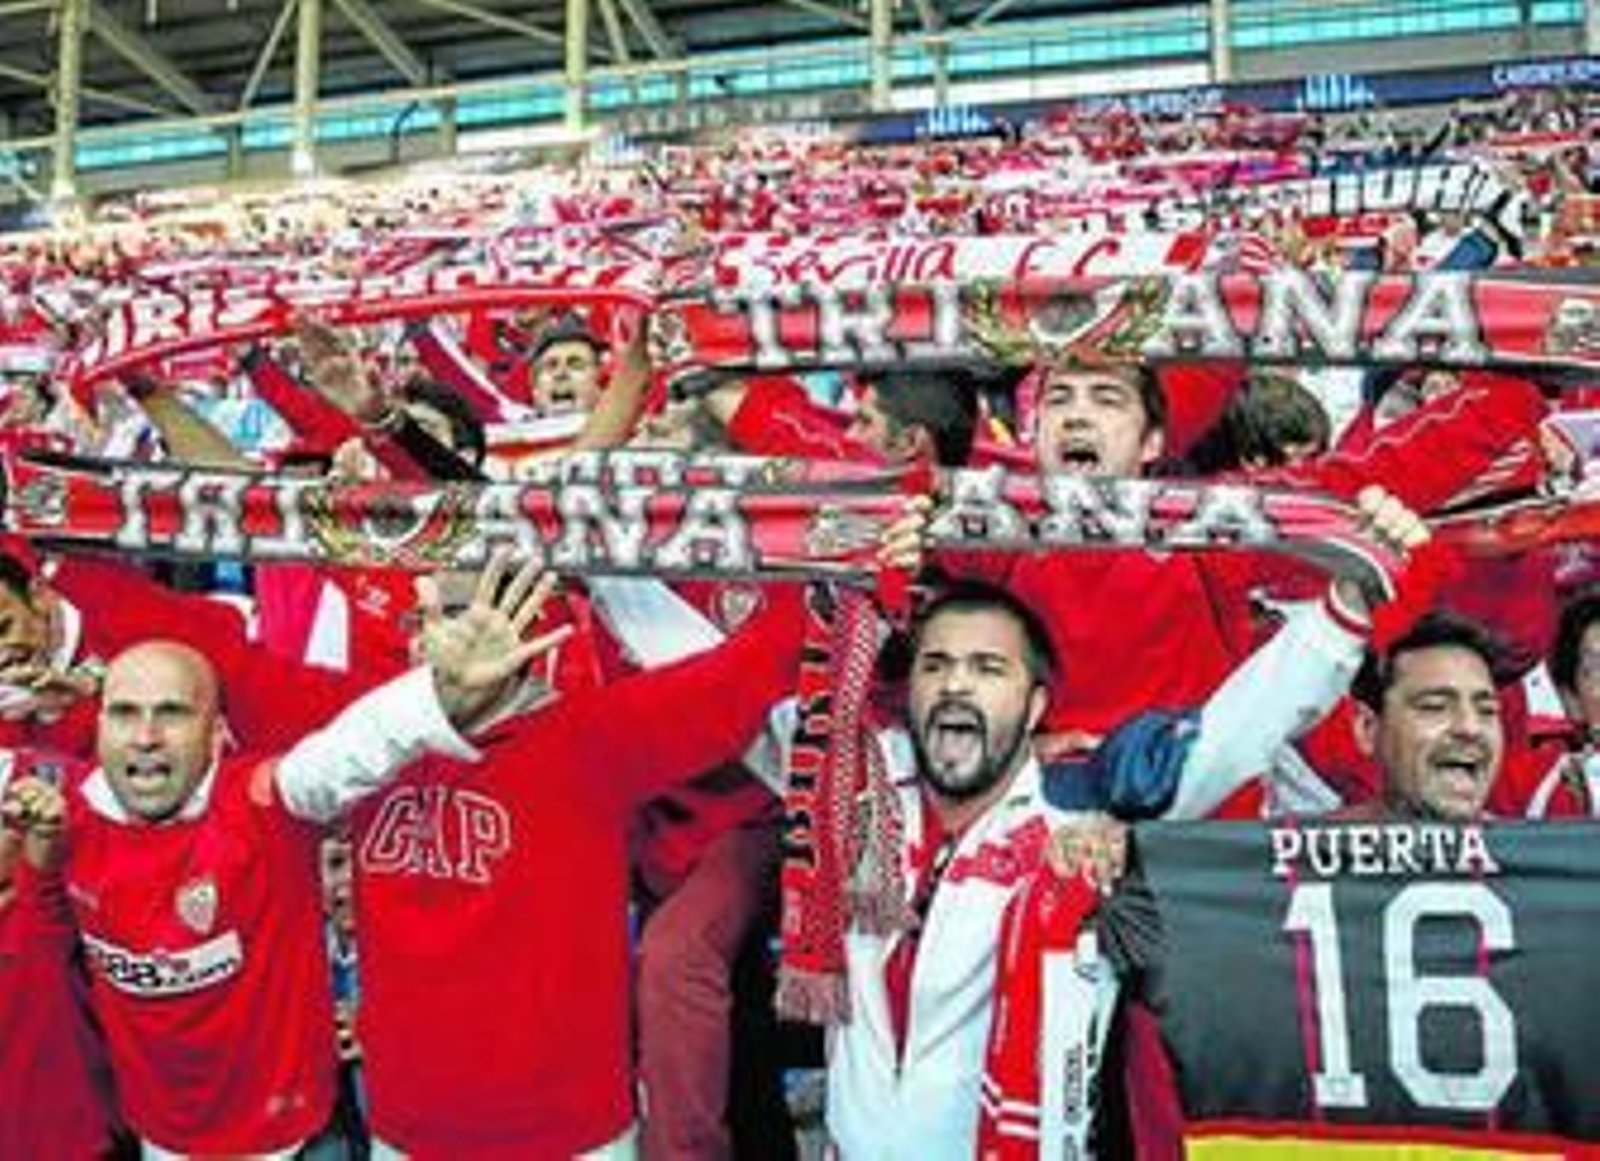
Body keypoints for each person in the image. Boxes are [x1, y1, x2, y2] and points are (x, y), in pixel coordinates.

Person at [825, 486, 1426, 1160]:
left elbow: (1232, 734)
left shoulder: (1081, 802)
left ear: (1034, 706)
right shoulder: (848, 791)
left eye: (988, 668)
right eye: (936, 665)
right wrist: (850, 567)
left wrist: (1349, 596)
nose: (957, 685)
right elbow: (750, 691)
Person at [2, 554, 567, 1156]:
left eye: (173, 714)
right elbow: (37, 955)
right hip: (161, 1142)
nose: (146, 737)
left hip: (296, 1140)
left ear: (217, 729)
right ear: (98, 722)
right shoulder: (69, 823)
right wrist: (38, 854)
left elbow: (356, 747)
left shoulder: (264, 803)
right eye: (124, 714)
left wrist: (442, 692)